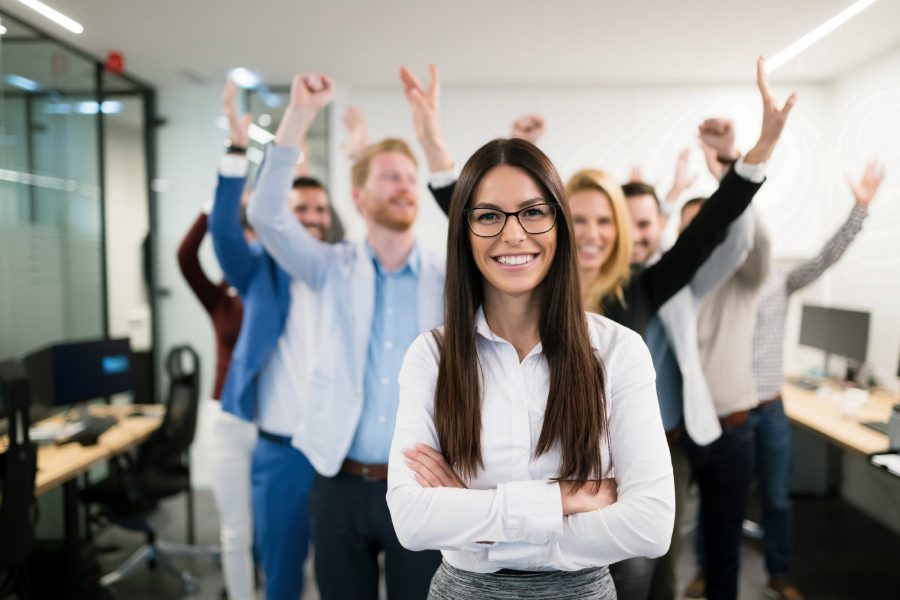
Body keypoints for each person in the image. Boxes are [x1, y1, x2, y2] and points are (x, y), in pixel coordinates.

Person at [387, 136, 675, 599]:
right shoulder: (431, 356)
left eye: (534, 211)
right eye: (488, 216)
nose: (513, 233)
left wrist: (478, 525)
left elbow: (651, 525)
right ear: (464, 232)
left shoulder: (620, 352)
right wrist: (561, 500)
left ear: (559, 225)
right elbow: (412, 520)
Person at [247, 71, 444, 600]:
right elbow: (266, 214)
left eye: (410, 176)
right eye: (389, 176)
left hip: (421, 485)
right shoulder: (330, 267)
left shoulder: (447, 278)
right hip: (337, 480)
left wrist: (429, 137)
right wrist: (300, 115)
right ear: (357, 196)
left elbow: (476, 221)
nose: (404, 184)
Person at [687, 160, 885, 600]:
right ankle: (706, 570)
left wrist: (860, 209)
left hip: (771, 409)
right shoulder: (707, 284)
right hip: (726, 413)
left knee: (777, 499)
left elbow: (826, 257)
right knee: (717, 505)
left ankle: (779, 573)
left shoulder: (779, 280)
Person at [210, 79, 336, 600]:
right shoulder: (258, 269)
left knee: (338, 574)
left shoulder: (343, 273)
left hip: (336, 454)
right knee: (280, 572)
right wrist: (238, 152)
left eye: (319, 211)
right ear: (281, 218)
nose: (310, 218)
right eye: (299, 209)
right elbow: (222, 230)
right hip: (280, 451)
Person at [175, 88, 250, 597]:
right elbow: (185, 256)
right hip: (225, 418)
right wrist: (215, 203)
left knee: (268, 527)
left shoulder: (275, 292)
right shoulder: (219, 297)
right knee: (235, 528)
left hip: (271, 419)